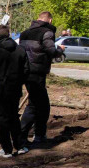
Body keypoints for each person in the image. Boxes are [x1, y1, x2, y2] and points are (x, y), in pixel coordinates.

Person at [19, 11, 65, 145]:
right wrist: (60, 50)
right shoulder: (47, 33)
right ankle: (30, 135)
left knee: (35, 103)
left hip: (26, 72)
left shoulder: (25, 33)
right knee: (40, 105)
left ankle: (31, 134)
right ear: (49, 20)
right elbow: (51, 50)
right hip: (37, 72)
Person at [0, 24, 30, 157]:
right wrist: (19, 82)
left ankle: (6, 149)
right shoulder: (20, 50)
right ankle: (20, 145)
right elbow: (26, 70)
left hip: (0, 89)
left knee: (2, 119)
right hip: (15, 89)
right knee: (14, 117)